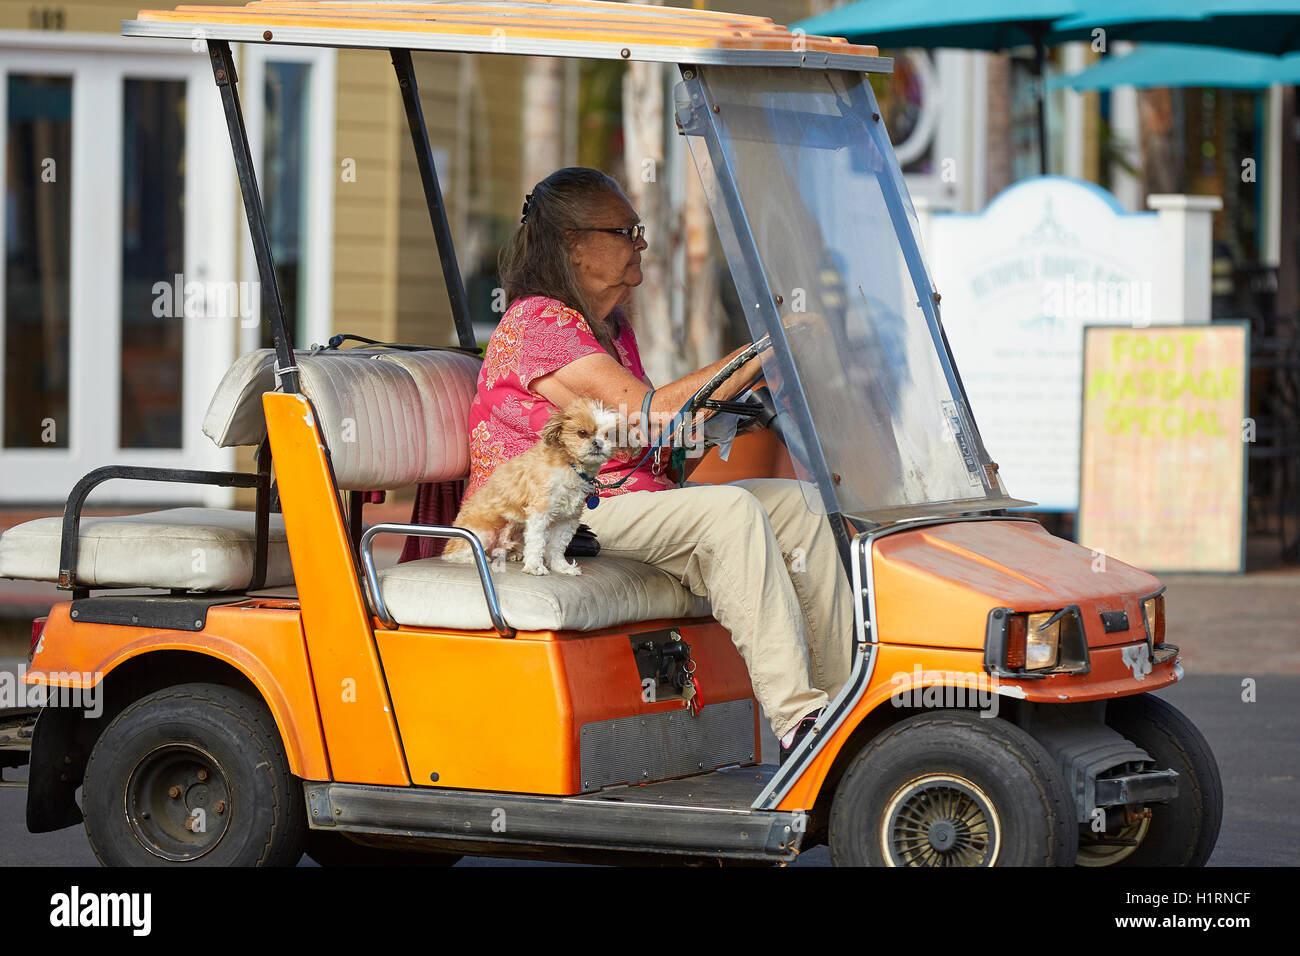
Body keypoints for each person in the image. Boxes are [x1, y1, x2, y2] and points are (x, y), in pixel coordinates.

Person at [465, 166, 855, 763]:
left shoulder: (607, 328)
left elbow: (643, 443)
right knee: (730, 512)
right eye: (626, 231)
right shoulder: (539, 324)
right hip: (557, 518)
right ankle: (799, 721)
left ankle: (843, 707)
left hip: (610, 501)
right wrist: (761, 349)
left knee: (799, 505)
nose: (640, 243)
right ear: (573, 245)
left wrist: (727, 414)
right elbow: (642, 413)